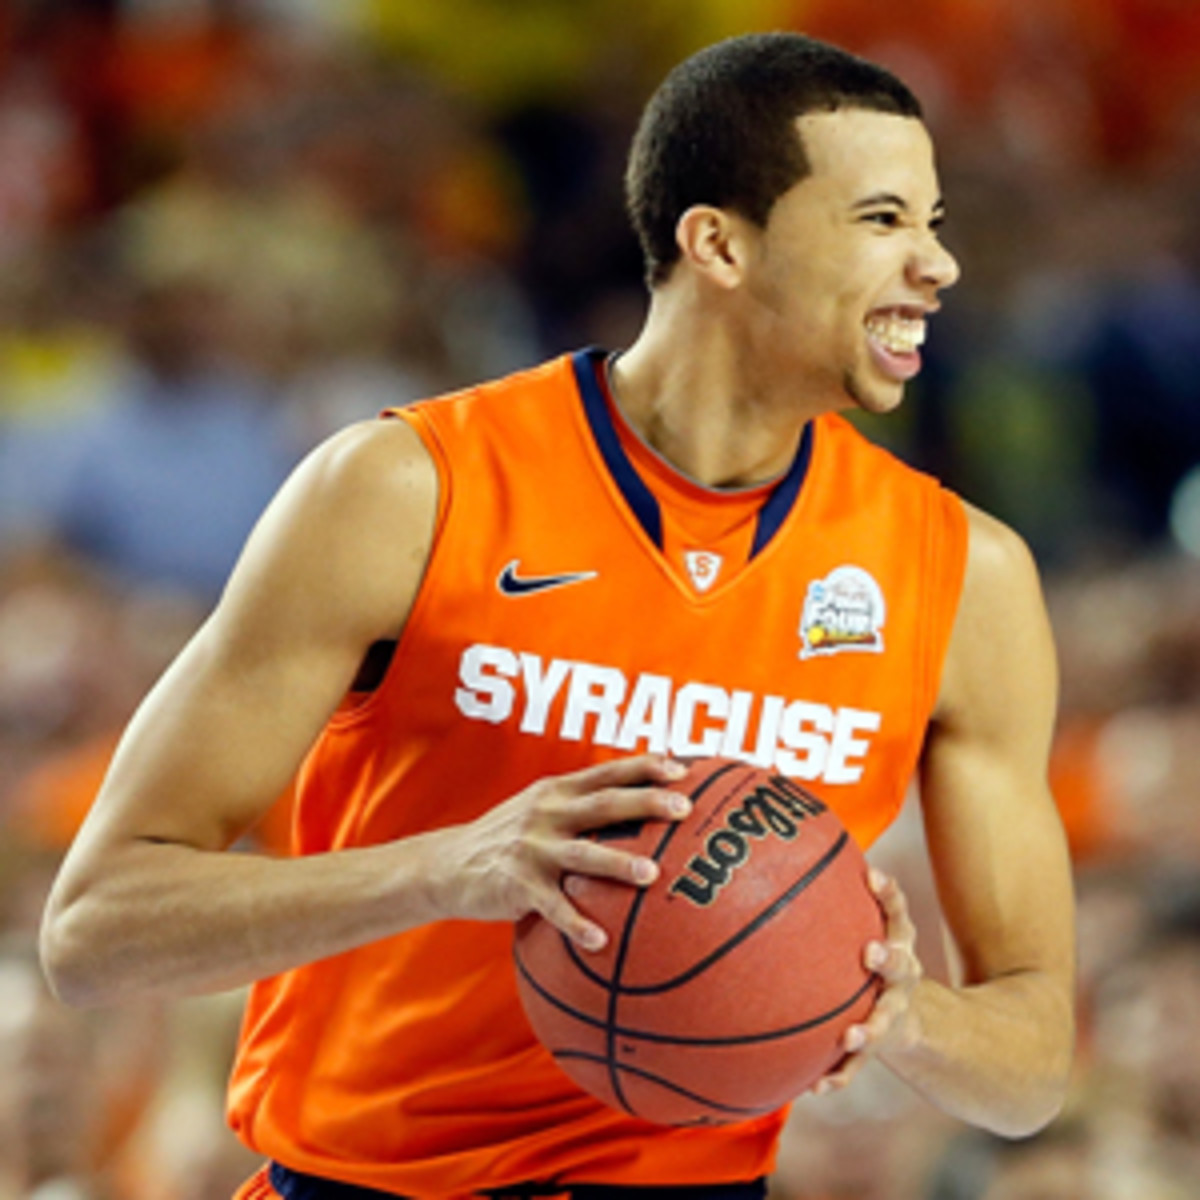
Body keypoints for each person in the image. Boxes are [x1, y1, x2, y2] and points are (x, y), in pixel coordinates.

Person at [38, 32, 1076, 1200]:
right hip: (359, 1184)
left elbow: (1034, 1066)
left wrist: (899, 1012)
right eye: (886, 220)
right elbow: (94, 927)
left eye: (936, 224)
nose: (937, 264)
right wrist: (446, 870)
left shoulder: (966, 574)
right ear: (718, 243)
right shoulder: (406, 489)